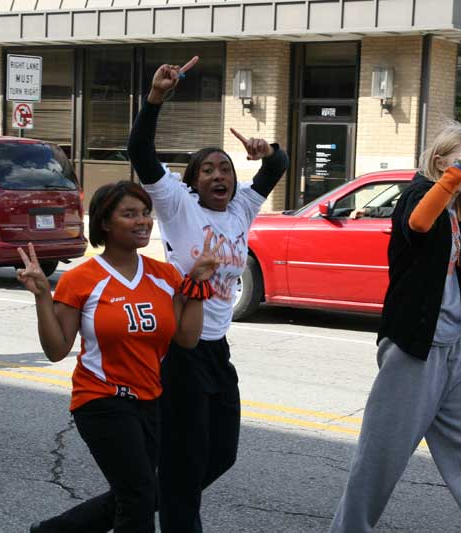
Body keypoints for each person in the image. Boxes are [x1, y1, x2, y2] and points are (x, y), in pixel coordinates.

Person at [329, 124, 461, 532]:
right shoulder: (415, 199)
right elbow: (420, 223)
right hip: (412, 352)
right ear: (441, 164)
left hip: (453, 351)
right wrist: (457, 172)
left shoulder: (456, 208)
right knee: (379, 462)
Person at [127, 55, 289, 533]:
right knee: (186, 465)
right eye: (208, 171)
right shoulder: (178, 205)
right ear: (193, 182)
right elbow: (140, 152)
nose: (219, 175)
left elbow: (277, 164)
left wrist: (268, 147)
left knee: (220, 455)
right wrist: (156, 98)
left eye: (226, 168)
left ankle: (103, 514)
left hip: (217, 349)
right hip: (179, 348)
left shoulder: (241, 209)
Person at [24, 181, 223, 533]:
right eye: (129, 214)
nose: (142, 221)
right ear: (105, 223)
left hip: (150, 403)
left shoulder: (165, 276)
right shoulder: (82, 278)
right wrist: (42, 297)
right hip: (100, 401)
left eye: (145, 213)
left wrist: (197, 285)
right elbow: (56, 350)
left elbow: (188, 338)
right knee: (138, 499)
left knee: (134, 493)